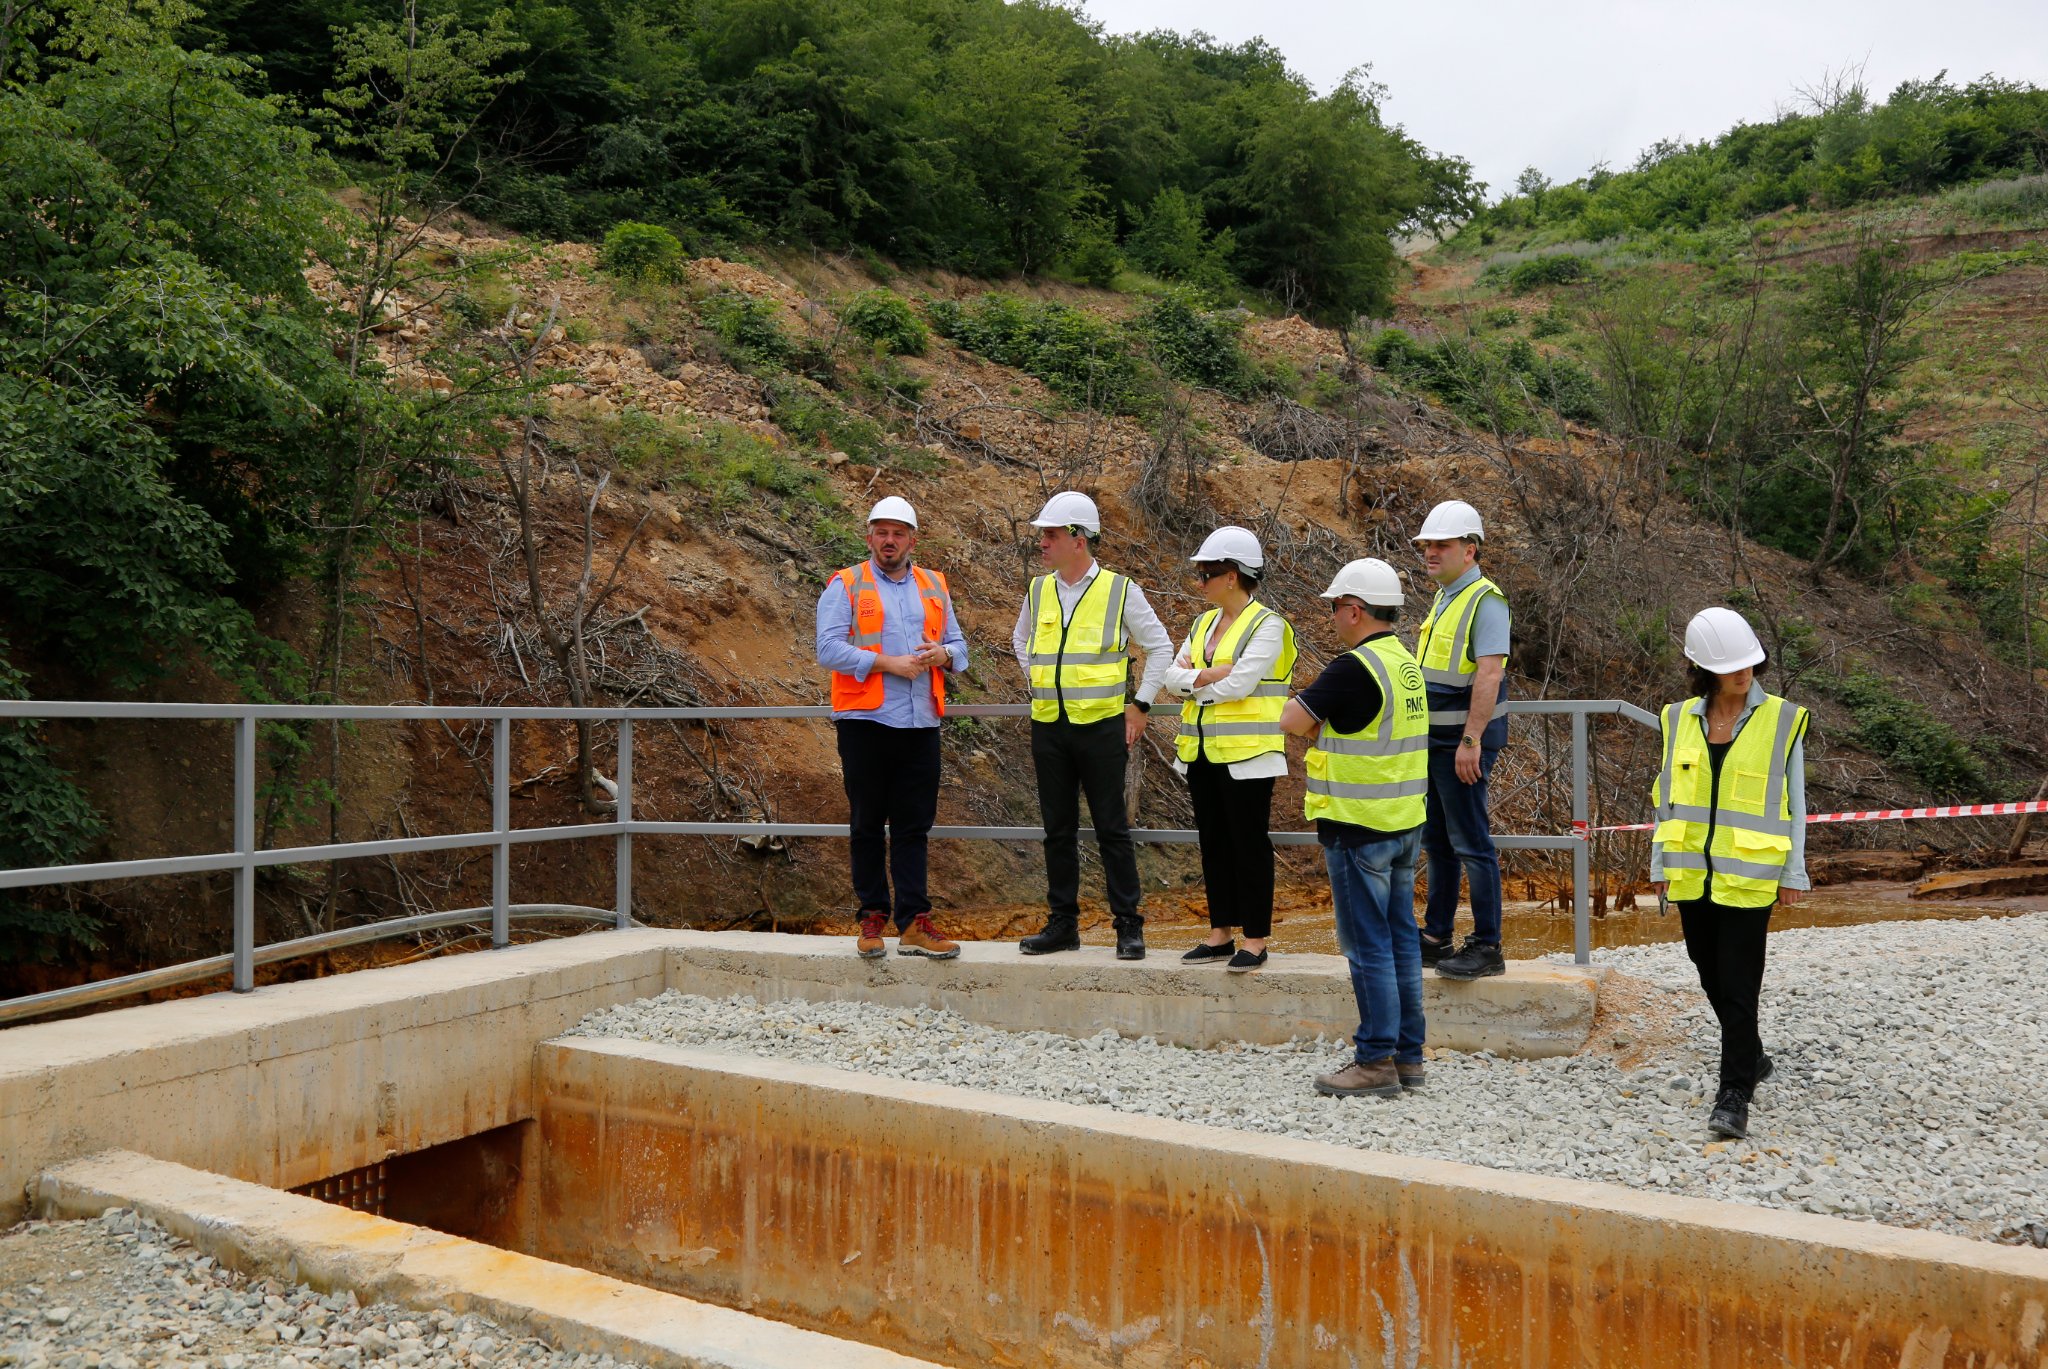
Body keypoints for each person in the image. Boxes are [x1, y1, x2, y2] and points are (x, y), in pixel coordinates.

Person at [1649, 607, 1809, 1141]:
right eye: (1731, 666)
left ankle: (1734, 1093)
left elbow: (1796, 803)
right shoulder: (1677, 719)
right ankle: (1752, 1054)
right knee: (1707, 969)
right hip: (1691, 870)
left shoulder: (1783, 719)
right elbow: (1666, 798)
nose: (1744, 673)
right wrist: (1659, 863)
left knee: (1739, 983)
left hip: (1751, 872)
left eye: (1749, 663)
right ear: (1703, 669)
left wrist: (1794, 872)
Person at [1280, 559, 1430, 1097]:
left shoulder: (1353, 667)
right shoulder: (1405, 663)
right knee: (1401, 941)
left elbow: (1292, 720)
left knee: (1367, 947)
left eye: (1335, 607)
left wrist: (1319, 723)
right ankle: (1408, 1057)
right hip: (1404, 823)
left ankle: (1375, 1060)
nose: (1331, 616)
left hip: (1359, 826)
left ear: (1355, 609)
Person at [1010, 491, 1174, 960]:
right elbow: (1020, 640)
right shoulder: (1039, 590)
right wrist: (1040, 681)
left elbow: (1160, 647)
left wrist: (1140, 705)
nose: (1042, 543)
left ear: (1078, 539)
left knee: (1111, 829)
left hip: (1102, 728)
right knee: (1057, 830)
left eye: (1051, 535)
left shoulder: (1120, 591)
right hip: (1050, 726)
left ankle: (1128, 926)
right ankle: (1063, 924)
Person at [815, 496, 969, 961]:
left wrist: (943, 655)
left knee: (913, 827)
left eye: (898, 533)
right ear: (869, 537)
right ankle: (871, 917)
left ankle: (914, 922)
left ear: (912, 541)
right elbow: (827, 649)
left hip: (920, 723)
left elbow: (960, 648)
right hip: (866, 722)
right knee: (866, 824)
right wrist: (887, 664)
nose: (889, 540)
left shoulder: (934, 584)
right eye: (881, 532)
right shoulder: (846, 583)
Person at [1161, 526, 1297, 973]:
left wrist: (1195, 680)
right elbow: (1170, 678)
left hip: (1249, 756)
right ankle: (1220, 934)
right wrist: (1207, 675)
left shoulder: (1268, 625)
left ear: (1232, 576)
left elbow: (1241, 683)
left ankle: (1255, 940)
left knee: (1249, 845)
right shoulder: (1203, 623)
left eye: (1207, 574)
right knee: (1214, 844)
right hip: (1201, 752)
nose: (1200, 582)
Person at [1410, 499, 1511, 981]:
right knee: (1439, 841)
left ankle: (1488, 946)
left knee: (1471, 842)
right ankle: (1436, 937)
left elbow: (1489, 674)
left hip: (1460, 744)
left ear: (1469, 550)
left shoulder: (1485, 600)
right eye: (1426, 545)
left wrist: (1471, 741)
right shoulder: (1447, 596)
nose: (1431, 552)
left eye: (1441, 545)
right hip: (1437, 741)